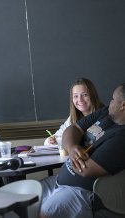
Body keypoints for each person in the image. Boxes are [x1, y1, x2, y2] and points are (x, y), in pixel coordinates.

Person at [40, 83, 125, 218]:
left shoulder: (122, 137)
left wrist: (72, 150)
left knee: (43, 214)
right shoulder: (106, 113)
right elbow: (73, 129)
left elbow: (86, 170)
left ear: (123, 106)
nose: (110, 102)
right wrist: (73, 147)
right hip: (59, 182)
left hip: (82, 193)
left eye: (113, 99)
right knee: (18, 200)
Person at [44, 78, 104, 146]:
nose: (80, 100)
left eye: (85, 95)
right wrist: (52, 141)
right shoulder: (73, 118)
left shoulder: (104, 115)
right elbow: (51, 140)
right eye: (75, 96)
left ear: (93, 95)